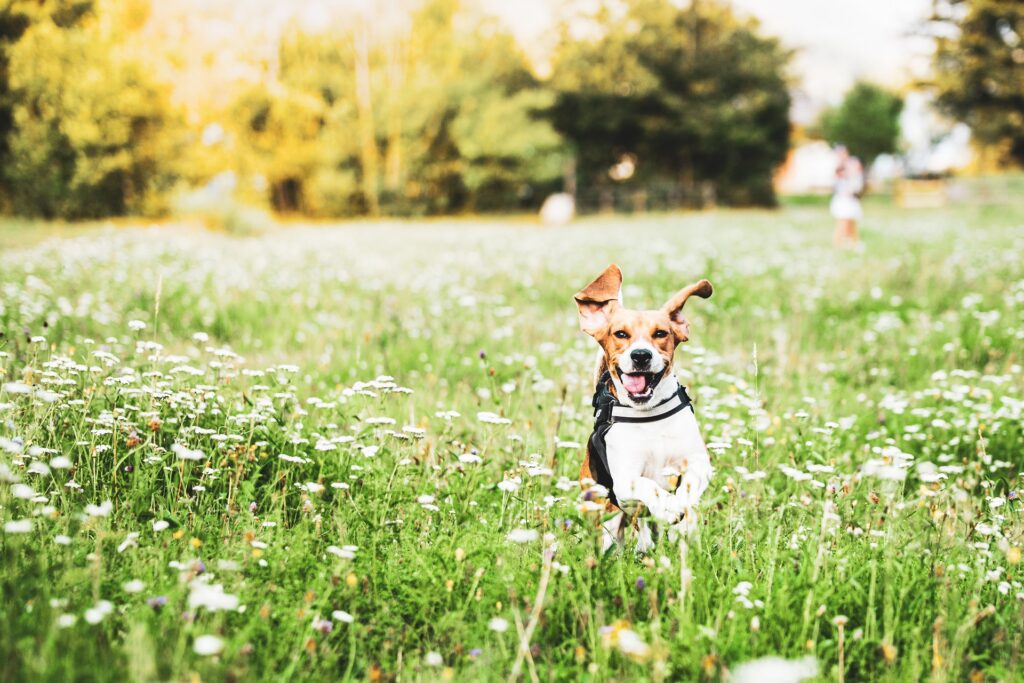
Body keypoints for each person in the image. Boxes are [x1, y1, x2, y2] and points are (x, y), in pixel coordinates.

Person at [830, 145, 864, 249]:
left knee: (851, 222)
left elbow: (857, 178)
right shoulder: (837, 167)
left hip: (850, 199)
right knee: (842, 222)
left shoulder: (852, 163)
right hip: (842, 200)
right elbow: (836, 184)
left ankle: (854, 242)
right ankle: (838, 243)